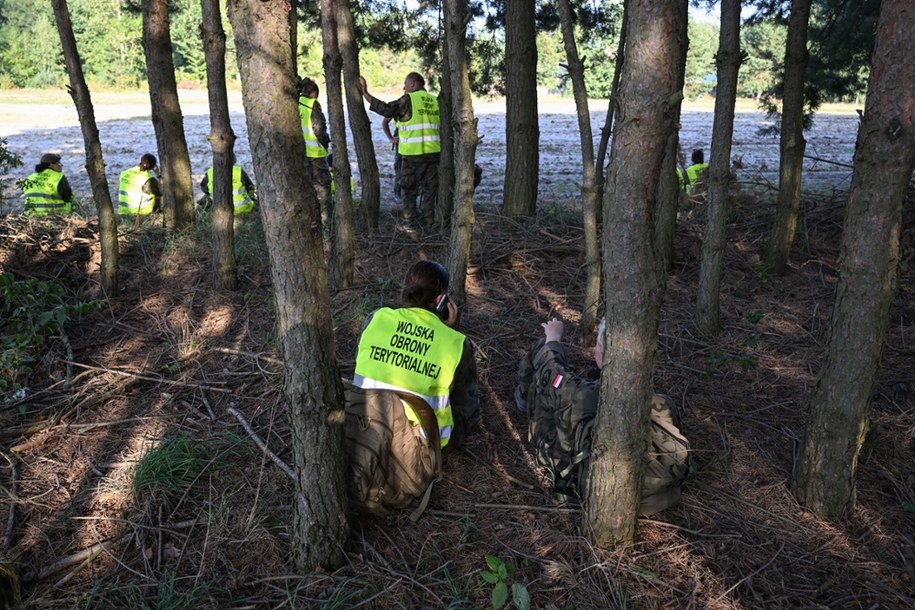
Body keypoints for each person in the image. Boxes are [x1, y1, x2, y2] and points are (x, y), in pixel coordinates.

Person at [515, 317, 694, 515]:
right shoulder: (661, 402)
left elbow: (551, 373)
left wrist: (553, 338)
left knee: (544, 352)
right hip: (654, 494)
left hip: (583, 476)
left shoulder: (581, 395)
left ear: (600, 355)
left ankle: (522, 398)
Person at [353, 260, 480, 449]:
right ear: (441, 300)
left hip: (364, 428)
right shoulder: (457, 343)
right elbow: (468, 406)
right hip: (420, 446)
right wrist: (447, 331)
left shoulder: (376, 318)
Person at [358, 72, 441, 230]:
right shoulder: (435, 101)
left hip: (412, 156)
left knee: (409, 191)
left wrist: (366, 94)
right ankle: (429, 225)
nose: (404, 88)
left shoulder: (408, 99)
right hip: (434, 155)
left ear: (413, 84)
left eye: (406, 84)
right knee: (430, 193)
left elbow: (387, 110)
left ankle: (411, 226)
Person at [297, 77, 333, 243]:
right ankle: (327, 227)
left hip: (301, 155)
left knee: (306, 189)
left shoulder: (295, 103)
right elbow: (319, 130)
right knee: (323, 192)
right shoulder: (313, 105)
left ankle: (310, 223)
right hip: (316, 155)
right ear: (313, 93)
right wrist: (326, 143)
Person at [118, 153, 161, 228]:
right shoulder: (147, 179)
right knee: (160, 197)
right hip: (139, 212)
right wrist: (158, 175)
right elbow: (162, 191)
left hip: (123, 210)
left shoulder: (124, 173)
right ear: (150, 166)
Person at [381, 116, 403, 205]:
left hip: (417, 144)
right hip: (401, 144)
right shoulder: (399, 104)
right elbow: (385, 122)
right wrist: (391, 138)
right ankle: (397, 193)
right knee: (400, 169)